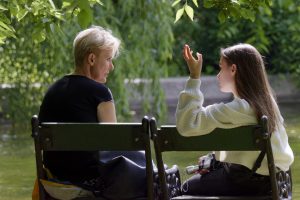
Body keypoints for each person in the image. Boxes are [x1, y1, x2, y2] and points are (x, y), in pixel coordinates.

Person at [38, 26, 147, 199]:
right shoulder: (100, 93)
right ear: (91, 59)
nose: (111, 67)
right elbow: (115, 147)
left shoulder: (53, 91)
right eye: (108, 59)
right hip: (91, 183)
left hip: (55, 181)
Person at [176, 43, 294, 196]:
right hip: (279, 181)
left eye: (221, 68)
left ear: (233, 69)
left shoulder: (236, 109)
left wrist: (194, 77)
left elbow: (187, 124)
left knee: (185, 188)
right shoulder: (268, 103)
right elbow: (251, 155)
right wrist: (216, 159)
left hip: (247, 183)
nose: (218, 75)